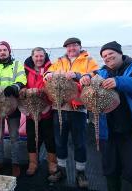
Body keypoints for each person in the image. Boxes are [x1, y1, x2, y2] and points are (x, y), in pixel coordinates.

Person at [80, 41, 132, 191]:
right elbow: (92, 75)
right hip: (109, 132)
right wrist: (85, 78)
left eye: (110, 54)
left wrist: (117, 81)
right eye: (104, 56)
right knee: (110, 170)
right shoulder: (102, 72)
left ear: (120, 53)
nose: (107, 57)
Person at [44, 37, 99, 187]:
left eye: (74, 45)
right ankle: (61, 170)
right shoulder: (59, 61)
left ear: (80, 46)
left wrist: (79, 75)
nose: (71, 48)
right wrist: (47, 74)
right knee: (60, 141)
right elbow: (48, 73)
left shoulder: (88, 60)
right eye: (68, 46)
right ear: (66, 49)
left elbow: (96, 75)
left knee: (79, 142)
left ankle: (80, 173)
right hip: (59, 107)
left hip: (78, 107)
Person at [0, 41, 27, 177]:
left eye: (4, 50)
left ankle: (15, 163)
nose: (2, 52)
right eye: (0, 50)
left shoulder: (17, 65)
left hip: (12, 104)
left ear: (9, 51)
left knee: (14, 136)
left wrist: (15, 87)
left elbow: (22, 78)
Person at [22, 47, 61, 181]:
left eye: (41, 56)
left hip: (47, 109)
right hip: (31, 110)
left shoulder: (53, 68)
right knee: (32, 137)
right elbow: (21, 84)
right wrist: (23, 91)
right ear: (32, 57)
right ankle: (33, 163)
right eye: (36, 56)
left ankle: (52, 163)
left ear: (45, 56)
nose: (39, 59)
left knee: (50, 138)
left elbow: (57, 84)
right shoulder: (25, 69)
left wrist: (44, 91)